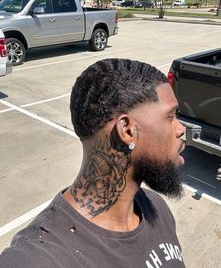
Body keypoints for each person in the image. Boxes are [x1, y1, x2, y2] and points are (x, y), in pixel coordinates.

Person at [0, 58, 186, 268]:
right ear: (127, 131)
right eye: (170, 116)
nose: (181, 129)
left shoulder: (156, 209)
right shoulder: (37, 258)